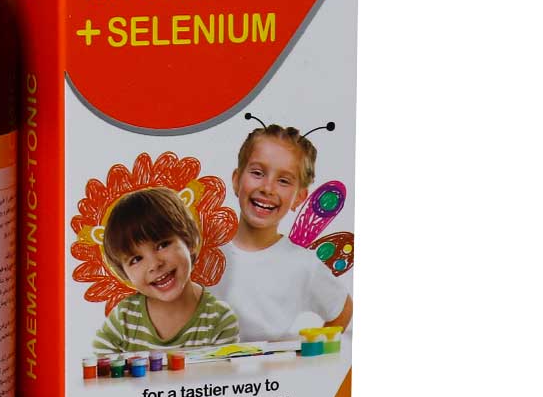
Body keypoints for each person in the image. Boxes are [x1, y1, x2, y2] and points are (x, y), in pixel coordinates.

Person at [217, 124, 353, 341]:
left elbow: (342, 310)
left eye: (283, 181)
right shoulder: (204, 250)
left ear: (299, 198)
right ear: (236, 180)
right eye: (257, 173)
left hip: (273, 365)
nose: (267, 188)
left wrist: (313, 353)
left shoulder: (303, 264)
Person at [92, 187, 239, 353]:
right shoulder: (123, 319)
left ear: (189, 241)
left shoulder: (219, 319)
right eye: (136, 259)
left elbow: (222, 370)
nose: (154, 264)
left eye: (162, 245)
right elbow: (99, 365)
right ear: (125, 274)